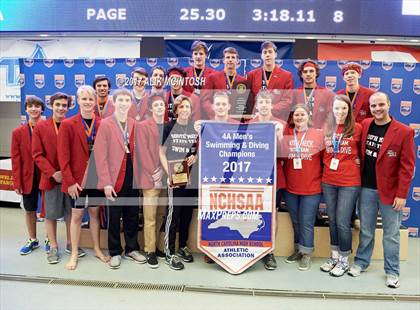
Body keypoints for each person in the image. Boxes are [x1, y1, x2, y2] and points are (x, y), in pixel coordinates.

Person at [348, 92, 415, 288]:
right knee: (366, 230)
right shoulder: (366, 125)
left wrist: (402, 194)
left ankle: (392, 271)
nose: (377, 109)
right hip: (366, 189)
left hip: (391, 193)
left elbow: (407, 167)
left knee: (391, 234)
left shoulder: (403, 131)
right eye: (374, 106)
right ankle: (361, 262)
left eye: (381, 105)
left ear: (389, 104)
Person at [57, 85, 109, 270]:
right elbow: (63, 157)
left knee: (94, 213)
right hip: (77, 180)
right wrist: (70, 182)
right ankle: (74, 253)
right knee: (77, 215)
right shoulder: (68, 124)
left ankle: (96, 248)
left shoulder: (102, 123)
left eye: (90, 99)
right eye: (84, 99)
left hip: (95, 179)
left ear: (95, 101)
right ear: (77, 101)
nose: (87, 102)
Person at [95, 88, 145, 269]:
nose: (124, 103)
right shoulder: (106, 123)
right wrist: (106, 182)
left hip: (132, 174)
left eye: (127, 100)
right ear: (114, 102)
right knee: (114, 217)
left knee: (132, 214)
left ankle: (132, 249)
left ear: (131, 104)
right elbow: (100, 156)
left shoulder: (134, 123)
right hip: (114, 176)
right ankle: (115, 251)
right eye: (120, 100)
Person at [32, 92, 84, 264]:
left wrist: (69, 174)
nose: (61, 108)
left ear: (69, 107)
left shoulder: (73, 126)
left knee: (71, 212)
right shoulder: (41, 127)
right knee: (51, 214)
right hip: (52, 179)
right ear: (51, 105)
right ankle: (53, 246)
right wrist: (53, 173)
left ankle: (71, 243)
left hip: (71, 178)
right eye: (58, 105)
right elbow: (37, 155)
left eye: (64, 105)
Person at [320, 95, 362, 276]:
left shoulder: (357, 128)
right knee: (333, 221)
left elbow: (362, 154)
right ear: (332, 110)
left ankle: (344, 260)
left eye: (344, 108)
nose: (340, 112)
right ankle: (334, 255)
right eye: (337, 108)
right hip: (329, 180)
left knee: (343, 222)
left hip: (349, 182)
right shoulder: (326, 128)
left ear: (349, 110)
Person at [281, 104, 324, 271]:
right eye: (296, 115)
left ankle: (307, 253)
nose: (299, 118)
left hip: (311, 187)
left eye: (302, 114)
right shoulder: (287, 134)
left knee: (306, 222)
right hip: (291, 186)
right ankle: (298, 250)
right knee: (296, 221)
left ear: (309, 115)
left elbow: (325, 159)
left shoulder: (318, 134)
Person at [159, 95, 198, 270]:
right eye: (181, 107)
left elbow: (197, 151)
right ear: (176, 110)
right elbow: (161, 153)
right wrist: (169, 174)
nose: (184, 110)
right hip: (175, 178)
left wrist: (194, 157)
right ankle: (169, 251)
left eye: (187, 107)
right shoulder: (168, 127)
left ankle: (182, 245)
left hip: (190, 178)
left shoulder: (193, 128)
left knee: (187, 214)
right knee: (173, 214)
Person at [248, 90, 285, 270]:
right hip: (253, 176)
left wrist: (279, 136)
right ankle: (254, 248)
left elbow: (286, 153)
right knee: (254, 213)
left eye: (266, 103)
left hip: (274, 176)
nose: (263, 106)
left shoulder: (281, 124)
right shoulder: (249, 124)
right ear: (257, 105)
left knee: (272, 214)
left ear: (271, 105)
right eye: (260, 103)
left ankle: (269, 251)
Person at [136, 92, 168, 268]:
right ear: (150, 108)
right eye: (156, 105)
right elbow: (142, 152)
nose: (159, 108)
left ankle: (156, 246)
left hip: (164, 177)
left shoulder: (168, 125)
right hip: (150, 177)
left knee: (160, 215)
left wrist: (164, 172)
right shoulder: (143, 126)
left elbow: (168, 151)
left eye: (162, 105)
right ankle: (149, 250)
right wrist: (153, 172)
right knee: (150, 216)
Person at [11, 95, 45, 255]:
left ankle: (48, 238)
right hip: (27, 177)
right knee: (29, 208)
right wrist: (17, 182)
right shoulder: (18, 132)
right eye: (30, 106)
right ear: (26, 109)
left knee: (48, 210)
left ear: (42, 109)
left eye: (37, 106)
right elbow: (16, 158)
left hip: (46, 175)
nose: (34, 109)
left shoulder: (48, 128)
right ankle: (33, 239)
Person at [246, 41, 294, 120]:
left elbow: (287, 100)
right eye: (265, 52)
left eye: (270, 52)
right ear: (261, 56)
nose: (267, 55)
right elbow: (248, 99)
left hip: (276, 118)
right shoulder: (252, 75)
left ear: (275, 54)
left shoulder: (286, 76)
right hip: (257, 118)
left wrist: (269, 109)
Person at [201, 47, 248, 120]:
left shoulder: (243, 81)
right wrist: (215, 113)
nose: (230, 60)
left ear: (237, 61)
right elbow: (205, 100)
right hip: (217, 118)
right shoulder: (213, 78)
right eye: (227, 57)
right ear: (223, 60)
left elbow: (244, 103)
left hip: (235, 120)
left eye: (233, 57)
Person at [292, 60, 334, 129]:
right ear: (301, 75)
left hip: (319, 133)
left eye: (311, 71)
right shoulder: (294, 94)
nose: (308, 74)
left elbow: (330, 116)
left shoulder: (327, 94)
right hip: (299, 134)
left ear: (316, 73)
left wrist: (322, 132)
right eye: (305, 72)